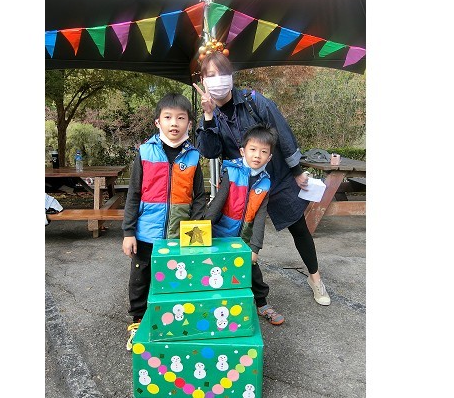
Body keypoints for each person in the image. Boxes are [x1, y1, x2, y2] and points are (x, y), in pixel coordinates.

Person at [193, 51, 331, 307]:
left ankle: (315, 278)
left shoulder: (253, 100)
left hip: (276, 176)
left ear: (231, 76)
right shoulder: (209, 115)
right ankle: (236, 288)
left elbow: (282, 133)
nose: (218, 80)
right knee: (236, 233)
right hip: (241, 185)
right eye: (211, 75)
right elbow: (210, 151)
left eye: (223, 73)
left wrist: (297, 170)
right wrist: (209, 116)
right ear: (203, 81)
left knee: (298, 227)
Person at [121, 93, 207, 351]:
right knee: (141, 279)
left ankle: (173, 321)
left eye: (181, 118)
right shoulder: (145, 152)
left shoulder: (193, 156)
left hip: (180, 235)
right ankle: (138, 321)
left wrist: (195, 228)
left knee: (175, 279)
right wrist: (128, 232)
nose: (174, 123)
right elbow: (133, 193)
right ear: (158, 122)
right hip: (146, 234)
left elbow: (199, 196)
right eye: (168, 117)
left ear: (189, 123)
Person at [205, 123, 284, 325]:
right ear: (243, 151)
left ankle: (262, 304)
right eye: (253, 149)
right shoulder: (231, 172)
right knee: (215, 271)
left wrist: (255, 247)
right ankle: (213, 304)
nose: (257, 155)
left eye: (263, 152)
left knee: (253, 271)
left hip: (244, 239)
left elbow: (261, 217)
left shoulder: (265, 182)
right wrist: (203, 229)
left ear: (269, 157)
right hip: (221, 235)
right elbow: (218, 203)